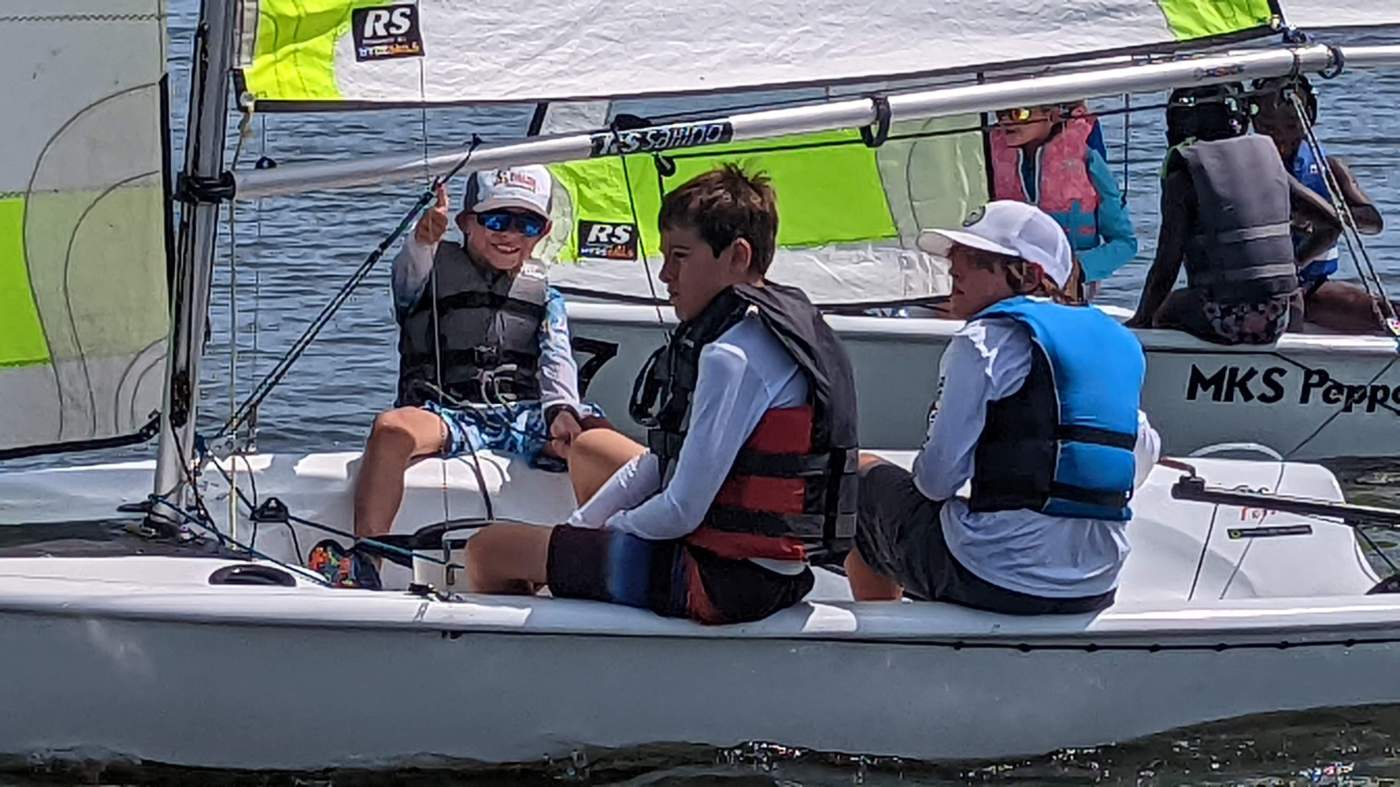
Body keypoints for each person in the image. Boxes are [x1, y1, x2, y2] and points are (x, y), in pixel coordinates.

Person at [461, 165, 860, 624]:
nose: (666, 273)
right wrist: (577, 530)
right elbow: (658, 461)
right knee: (589, 466)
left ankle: (531, 673)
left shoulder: (732, 355)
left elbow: (682, 510)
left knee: (489, 549)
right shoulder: (778, 327)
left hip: (718, 584)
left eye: (681, 256)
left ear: (737, 257)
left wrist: (609, 533)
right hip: (774, 574)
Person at [846, 200, 1160, 614]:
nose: (954, 268)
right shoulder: (1119, 342)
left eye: (976, 259)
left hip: (993, 578)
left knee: (857, 480)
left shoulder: (982, 342)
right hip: (1096, 582)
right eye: (955, 255)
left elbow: (935, 483)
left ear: (1029, 275)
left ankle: (883, 646)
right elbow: (1145, 450)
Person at [309, 166, 603, 588]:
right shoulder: (427, 275)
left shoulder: (546, 294)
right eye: (496, 220)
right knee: (391, 430)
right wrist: (424, 237)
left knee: (598, 438)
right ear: (466, 223)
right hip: (449, 413)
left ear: (544, 231)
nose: (510, 235)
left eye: (527, 224)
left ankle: (613, 554)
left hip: (523, 416)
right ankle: (369, 560)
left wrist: (562, 411)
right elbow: (407, 274)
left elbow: (558, 361)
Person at [1128, 83, 1341, 344]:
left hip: (1225, 319)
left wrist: (1141, 320)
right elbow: (1333, 224)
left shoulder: (1183, 174)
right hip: (1281, 317)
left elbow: (1166, 265)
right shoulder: (1267, 158)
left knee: (1167, 306)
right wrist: (1296, 265)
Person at [1252, 75, 1389, 334]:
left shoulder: (1329, 168)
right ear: (1254, 122)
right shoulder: (1245, 169)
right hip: (1263, 289)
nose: (1280, 136)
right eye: (1268, 126)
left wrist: (1326, 215)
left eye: (1291, 125)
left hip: (1313, 284)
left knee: (1387, 313)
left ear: (1308, 121)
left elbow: (1373, 222)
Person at [989, 102, 1137, 298]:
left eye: (1018, 113)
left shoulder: (1088, 158)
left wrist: (1078, 268)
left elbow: (1125, 244)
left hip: (1069, 291)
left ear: (1052, 114)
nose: (1005, 121)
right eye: (1000, 113)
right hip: (1011, 286)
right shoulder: (989, 155)